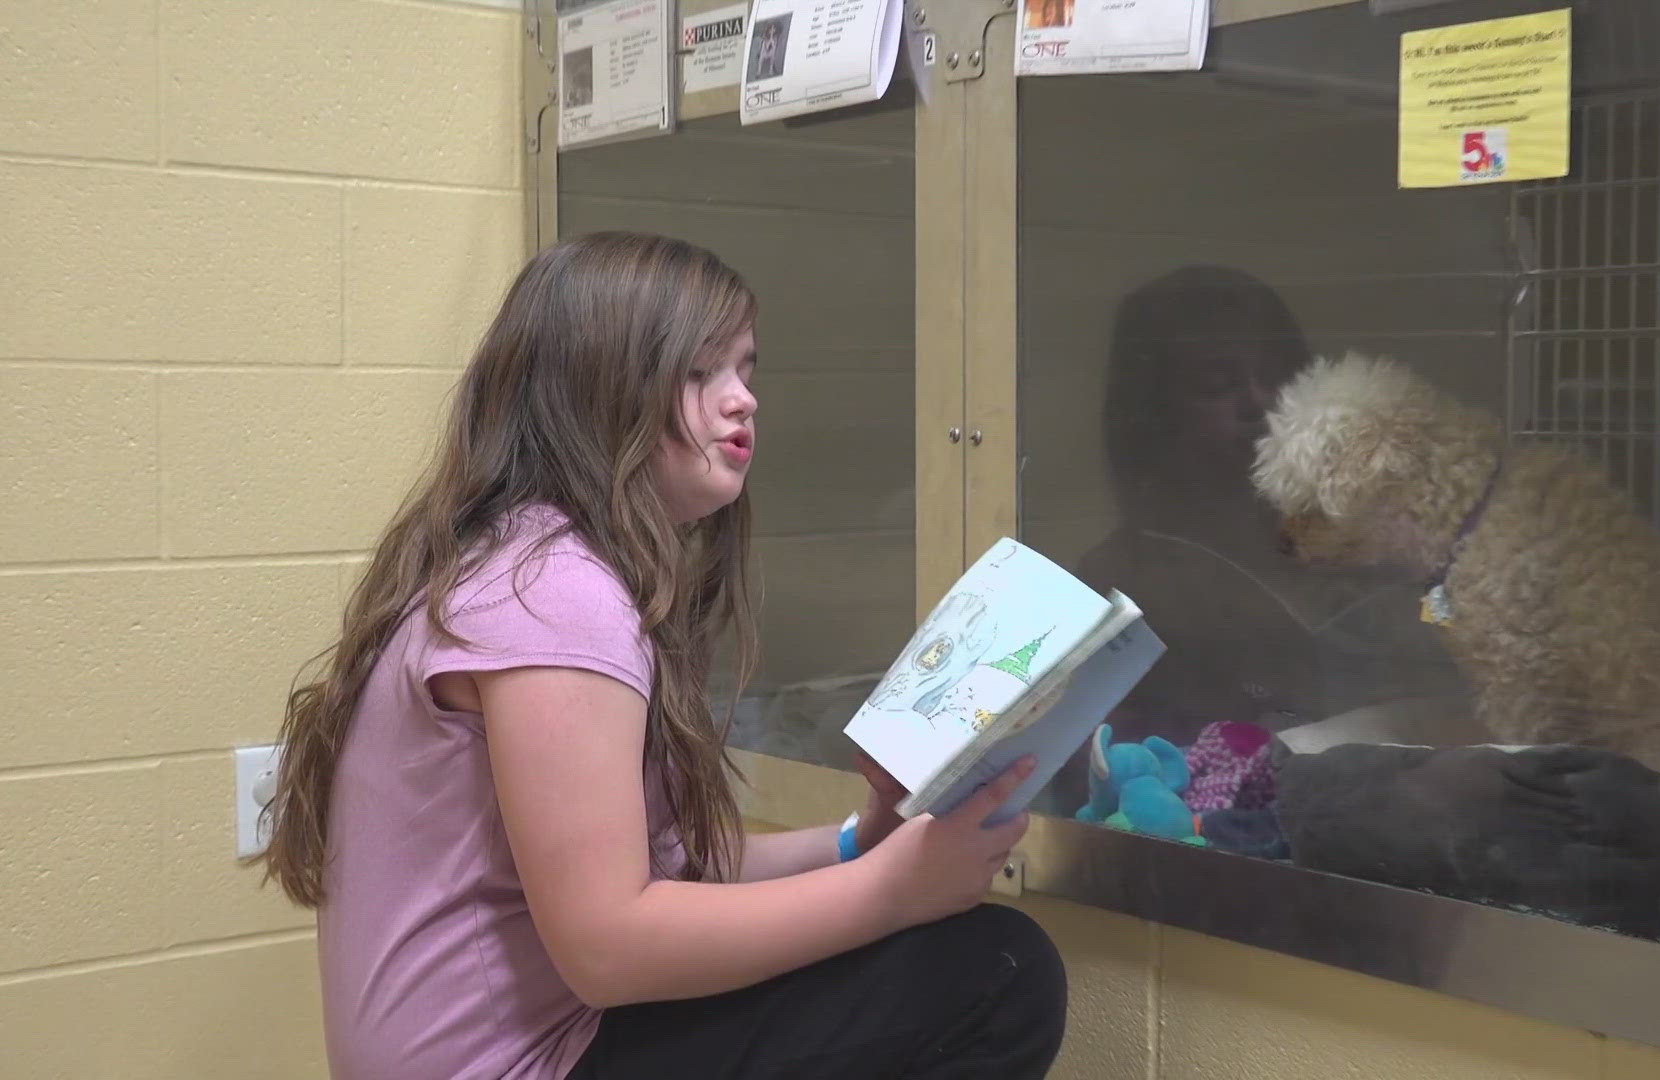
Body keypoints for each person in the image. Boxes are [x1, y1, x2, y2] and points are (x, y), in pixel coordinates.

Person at [253, 232, 1067, 1079]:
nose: (742, 399)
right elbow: (608, 947)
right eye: (700, 372)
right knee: (996, 974)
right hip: (524, 1063)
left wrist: (859, 845)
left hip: (539, 1044)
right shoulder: (552, 594)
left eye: (746, 370)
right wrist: (892, 892)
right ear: (599, 387)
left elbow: (657, 875)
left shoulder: (515, 561)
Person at [1072, 265, 1470, 752]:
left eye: (1276, 376)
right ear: (1155, 412)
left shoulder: (1370, 542)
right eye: (1218, 385)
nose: (1257, 402)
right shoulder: (1120, 579)